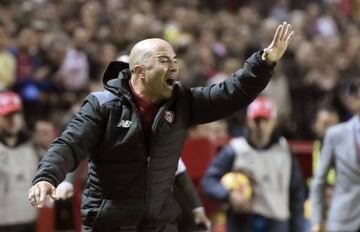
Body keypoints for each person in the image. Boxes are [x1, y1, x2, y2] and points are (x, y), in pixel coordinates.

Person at [28, 22, 294, 231]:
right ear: (140, 71)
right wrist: (46, 177)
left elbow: (229, 94)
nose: (174, 67)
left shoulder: (183, 102)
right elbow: (69, 144)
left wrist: (264, 62)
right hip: (108, 223)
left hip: (159, 224)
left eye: (175, 60)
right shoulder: (102, 105)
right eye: (165, 60)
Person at [201, 96, 304, 232]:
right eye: (256, 120)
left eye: (265, 120)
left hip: (277, 220)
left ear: (274, 122)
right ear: (248, 121)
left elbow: (296, 193)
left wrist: (297, 227)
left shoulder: (284, 150)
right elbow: (208, 181)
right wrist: (228, 195)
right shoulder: (235, 149)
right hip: (243, 220)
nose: (260, 125)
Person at [311, 79, 360, 232]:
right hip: (343, 218)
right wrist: (317, 220)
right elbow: (319, 181)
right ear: (352, 100)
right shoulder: (336, 135)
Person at [0, 91, 38, 232]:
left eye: (16, 114)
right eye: (7, 115)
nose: (13, 120)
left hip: (28, 221)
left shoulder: (32, 147)